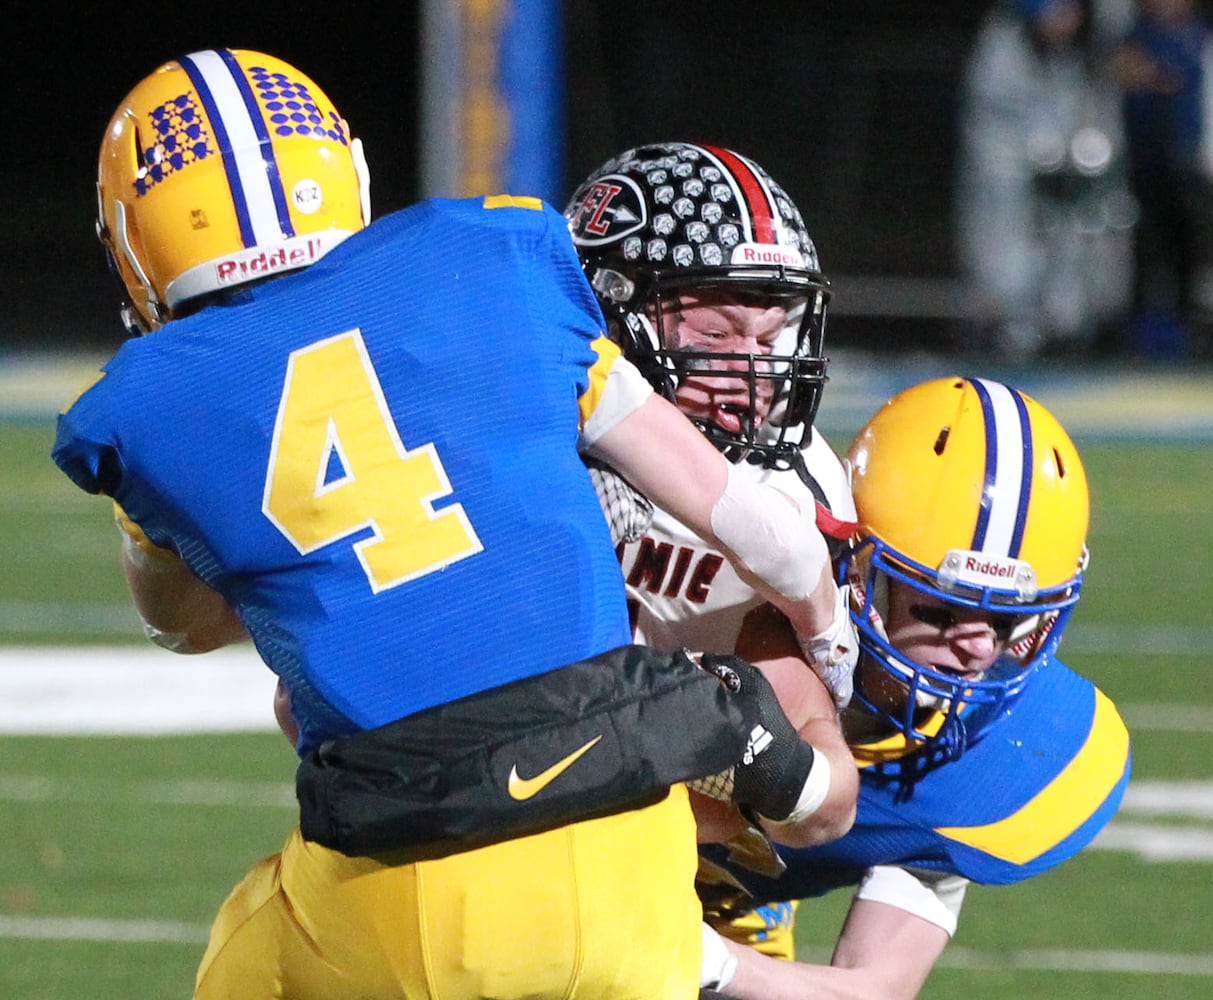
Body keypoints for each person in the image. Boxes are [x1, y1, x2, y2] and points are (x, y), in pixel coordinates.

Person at [51, 51, 859, 999]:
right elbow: (775, 551)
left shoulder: (144, 407)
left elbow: (186, 627)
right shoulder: (489, 263)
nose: (746, 363)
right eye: (717, 331)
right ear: (344, 174)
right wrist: (825, 654)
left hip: (400, 889)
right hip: (634, 881)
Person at [693, 377, 1131, 999]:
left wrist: (704, 958)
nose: (978, 648)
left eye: (1005, 621)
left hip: (724, 913)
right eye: (940, 614)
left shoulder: (989, 761)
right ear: (857, 573)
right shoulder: (720, 603)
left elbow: (874, 988)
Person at [563, 141, 863, 983]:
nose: (753, 370)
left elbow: (827, 797)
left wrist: (769, 767)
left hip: (696, 883)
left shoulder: (787, 492)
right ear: (610, 312)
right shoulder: (514, 443)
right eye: (714, 330)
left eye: (773, 334)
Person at [956, 0, 1135, 357]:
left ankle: (1070, 331)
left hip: (1066, 181)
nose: (1065, 22)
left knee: (1085, 239)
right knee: (1009, 252)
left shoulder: (1081, 58)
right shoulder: (1005, 52)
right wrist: (1040, 159)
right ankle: (1012, 334)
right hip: (1014, 183)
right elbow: (995, 136)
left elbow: (1098, 122)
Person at [1113, 0, 1213, 357]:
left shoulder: (1199, 36)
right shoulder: (1137, 36)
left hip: (1193, 166)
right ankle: (1144, 332)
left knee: (1194, 252)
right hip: (1144, 167)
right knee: (1147, 251)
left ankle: (1192, 330)